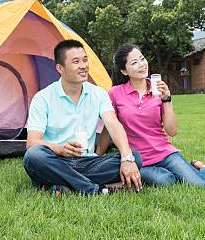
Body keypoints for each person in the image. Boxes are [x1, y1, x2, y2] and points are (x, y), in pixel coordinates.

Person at [23, 39, 143, 196]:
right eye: (76, 61)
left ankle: (61, 185)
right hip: (56, 160)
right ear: (60, 68)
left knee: (136, 157)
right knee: (34, 157)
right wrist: (60, 149)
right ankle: (98, 189)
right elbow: (32, 142)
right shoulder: (43, 98)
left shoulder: (98, 94)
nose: (83, 66)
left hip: (88, 162)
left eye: (85, 60)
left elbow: (113, 124)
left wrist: (127, 158)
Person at [96, 44, 205, 189]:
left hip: (165, 153)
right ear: (124, 71)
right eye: (134, 63)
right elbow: (110, 127)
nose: (142, 65)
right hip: (139, 159)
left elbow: (172, 131)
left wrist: (167, 99)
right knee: (166, 181)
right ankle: (180, 171)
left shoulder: (158, 90)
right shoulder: (115, 93)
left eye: (142, 59)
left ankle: (204, 168)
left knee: (203, 186)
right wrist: (97, 156)